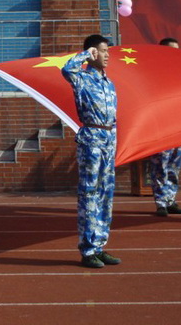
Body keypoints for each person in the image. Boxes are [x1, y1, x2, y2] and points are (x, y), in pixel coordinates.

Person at [62, 34, 120, 269]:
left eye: (107, 51)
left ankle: (99, 245)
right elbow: (67, 69)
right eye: (103, 51)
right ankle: (87, 249)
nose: (107, 55)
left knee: (106, 193)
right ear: (93, 53)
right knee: (90, 193)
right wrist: (86, 54)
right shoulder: (82, 78)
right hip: (92, 139)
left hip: (109, 138)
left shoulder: (109, 82)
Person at [147, 38, 181, 217]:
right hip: (161, 127)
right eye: (172, 50)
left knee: (174, 165)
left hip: (178, 126)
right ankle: (161, 202)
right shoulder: (154, 73)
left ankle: (171, 200)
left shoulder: (180, 73)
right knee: (160, 166)